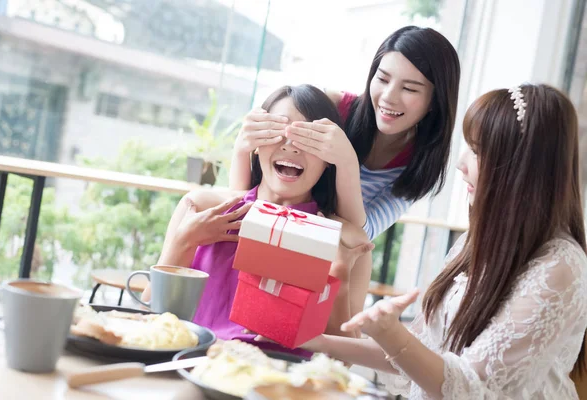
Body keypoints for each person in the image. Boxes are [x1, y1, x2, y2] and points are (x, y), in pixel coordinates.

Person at [277, 84, 587, 398]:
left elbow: (473, 389)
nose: (461, 164)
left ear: (524, 169)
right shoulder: (473, 243)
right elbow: (419, 355)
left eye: (477, 151)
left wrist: (393, 334)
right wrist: (314, 341)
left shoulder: (561, 267)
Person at [142, 84, 374, 353]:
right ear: (256, 143)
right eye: (279, 132)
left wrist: (339, 279)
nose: (292, 147)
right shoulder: (201, 207)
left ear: (328, 159)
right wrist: (184, 242)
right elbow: (148, 313)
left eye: (308, 138)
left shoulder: (347, 241)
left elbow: (344, 360)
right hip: (190, 362)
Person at [229, 26, 461, 240]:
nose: (389, 96)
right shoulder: (331, 107)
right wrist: (242, 149)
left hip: (322, 253)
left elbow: (361, 237)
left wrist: (346, 162)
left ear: (435, 101)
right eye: (382, 79)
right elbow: (251, 192)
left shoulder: (419, 165)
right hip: (261, 228)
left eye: (409, 88)